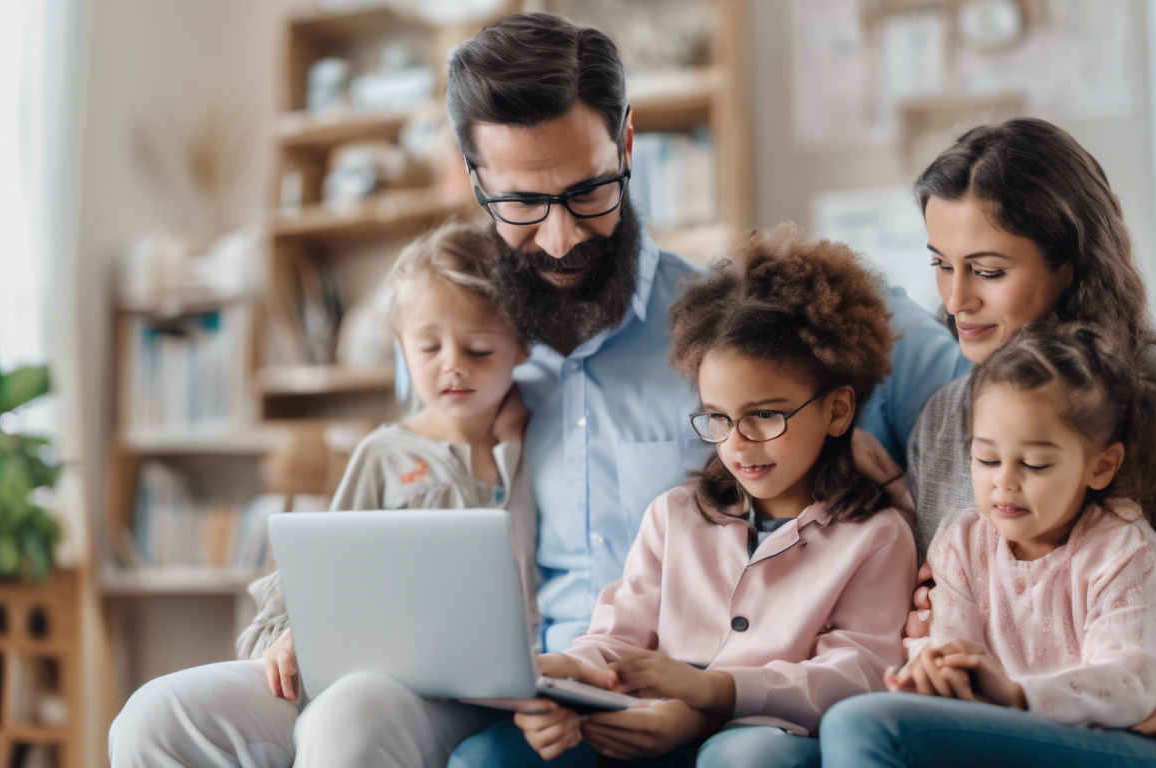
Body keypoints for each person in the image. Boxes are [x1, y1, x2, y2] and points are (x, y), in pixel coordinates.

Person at [109, 13, 969, 766]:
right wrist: (333, 621)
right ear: (472, 177)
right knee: (158, 720)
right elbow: (404, 518)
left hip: (630, 688)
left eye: (588, 191)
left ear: (627, 145)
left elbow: (974, 404)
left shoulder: (735, 333)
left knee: (354, 720)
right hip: (484, 672)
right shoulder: (468, 349)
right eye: (521, 204)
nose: (559, 239)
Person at [825, 118, 1156, 768]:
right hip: (998, 735)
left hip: (1141, 738)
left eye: (988, 270)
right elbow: (966, 594)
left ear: (1069, 263)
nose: (954, 300)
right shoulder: (949, 416)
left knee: (869, 730)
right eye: (942, 265)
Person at [451, 224, 918, 768]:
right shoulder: (674, 515)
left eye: (765, 415)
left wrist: (710, 694)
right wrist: (567, 675)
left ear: (837, 410)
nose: (737, 444)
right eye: (717, 419)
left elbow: (853, 675)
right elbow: (617, 636)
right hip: (638, 723)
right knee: (489, 756)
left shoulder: (877, 538)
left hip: (763, 734)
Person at [109, 222, 534, 766]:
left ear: (520, 345)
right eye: (427, 346)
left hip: (467, 698)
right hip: (351, 671)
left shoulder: (542, 445)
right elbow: (314, 584)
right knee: (153, 715)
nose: (452, 364)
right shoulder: (384, 455)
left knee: (352, 718)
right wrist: (297, 633)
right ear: (401, 345)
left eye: (478, 348)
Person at [833, 322, 1156, 767]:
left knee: (864, 727)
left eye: (1034, 463)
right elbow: (950, 647)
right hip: (1019, 737)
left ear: (1101, 466)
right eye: (987, 458)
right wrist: (934, 670)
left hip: (1134, 742)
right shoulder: (963, 542)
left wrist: (1013, 695)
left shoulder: (1125, 550)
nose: (1004, 481)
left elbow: (1127, 688)